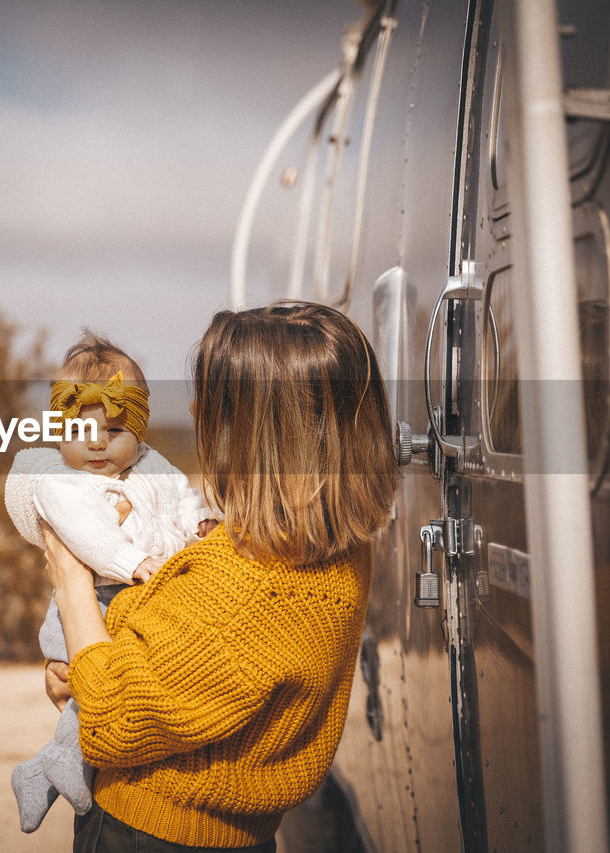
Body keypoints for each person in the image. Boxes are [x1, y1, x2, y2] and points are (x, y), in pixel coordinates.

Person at [40, 302, 398, 851]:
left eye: (212, 401)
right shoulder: (340, 547)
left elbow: (112, 719)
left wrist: (69, 576)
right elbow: (191, 655)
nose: (193, 409)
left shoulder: (249, 582)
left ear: (257, 431)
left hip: (150, 832)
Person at [6, 332, 215, 833]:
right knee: (102, 692)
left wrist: (200, 524)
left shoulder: (152, 467)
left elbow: (179, 497)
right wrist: (131, 560)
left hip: (127, 600)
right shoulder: (59, 480)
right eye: (81, 430)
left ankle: (49, 768)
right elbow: (86, 534)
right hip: (91, 604)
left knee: (107, 695)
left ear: (139, 432)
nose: (97, 443)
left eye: (115, 430)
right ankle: (64, 763)